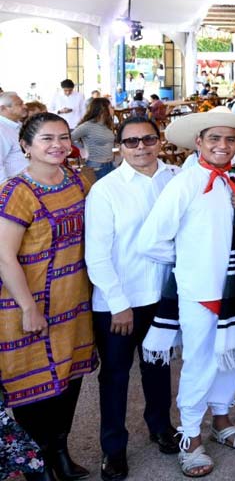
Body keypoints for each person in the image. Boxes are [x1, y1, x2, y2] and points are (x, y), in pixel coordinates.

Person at [138, 107, 235, 477]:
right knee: (199, 361)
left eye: (230, 139)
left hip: (234, 289)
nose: (223, 145)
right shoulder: (185, 183)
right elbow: (151, 240)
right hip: (200, 291)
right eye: (214, 138)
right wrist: (189, 262)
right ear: (199, 142)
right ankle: (191, 435)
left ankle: (222, 419)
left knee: (232, 356)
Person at [0, 113, 96, 481]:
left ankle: (60, 452)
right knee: (33, 388)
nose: (57, 144)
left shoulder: (76, 179)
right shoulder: (15, 192)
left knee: (69, 382)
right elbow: (5, 256)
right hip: (29, 305)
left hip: (73, 303)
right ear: (25, 146)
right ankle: (36, 463)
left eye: (64, 137)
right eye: (46, 139)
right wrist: (28, 307)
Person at [85, 118, 180, 480]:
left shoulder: (174, 178)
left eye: (148, 139)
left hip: (162, 295)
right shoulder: (106, 190)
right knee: (115, 377)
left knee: (158, 367)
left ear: (159, 141)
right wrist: (118, 302)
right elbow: (96, 253)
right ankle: (113, 449)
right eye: (131, 142)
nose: (141, 147)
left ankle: (160, 426)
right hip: (119, 300)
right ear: (119, 147)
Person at [71, 97, 117, 179]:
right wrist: (79, 151)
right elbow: (69, 139)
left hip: (110, 164)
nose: (113, 109)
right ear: (103, 109)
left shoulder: (106, 125)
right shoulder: (87, 126)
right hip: (97, 167)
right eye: (111, 107)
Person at [0, 91, 28, 182]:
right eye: (20, 104)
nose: (25, 106)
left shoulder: (18, 125)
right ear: (3, 108)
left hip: (30, 184)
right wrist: (6, 191)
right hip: (16, 189)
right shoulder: (1, 130)